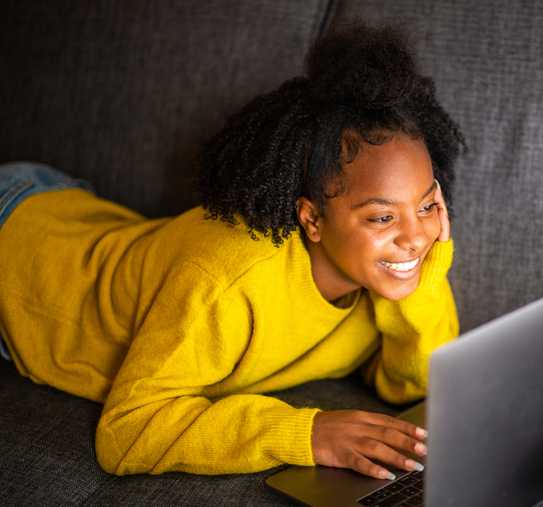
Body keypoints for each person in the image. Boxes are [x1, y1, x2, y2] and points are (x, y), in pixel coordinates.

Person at [0, 21, 466, 481]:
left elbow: (418, 385)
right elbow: (126, 432)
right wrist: (308, 432)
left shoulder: (387, 267)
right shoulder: (225, 280)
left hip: (77, 214)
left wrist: (425, 274)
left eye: (427, 204)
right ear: (311, 219)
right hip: (17, 251)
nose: (415, 236)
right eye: (383, 217)